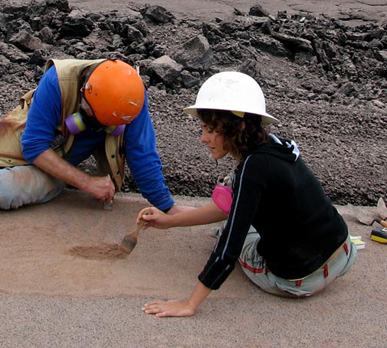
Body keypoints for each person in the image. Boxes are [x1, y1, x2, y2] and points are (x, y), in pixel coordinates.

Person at [138, 71, 356, 318]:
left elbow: (229, 246)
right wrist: (170, 221)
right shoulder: (275, 146)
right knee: (238, 213)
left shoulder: (252, 170)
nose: (203, 139)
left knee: (230, 229)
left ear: (238, 126)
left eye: (210, 130)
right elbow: (230, 208)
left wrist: (190, 303)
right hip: (343, 251)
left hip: (299, 279)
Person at [0, 58, 185, 213]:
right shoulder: (60, 79)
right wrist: (87, 183)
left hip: (61, 163)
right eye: (91, 117)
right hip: (29, 136)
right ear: (84, 94)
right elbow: (33, 146)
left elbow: (143, 157)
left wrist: (168, 208)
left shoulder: (130, 101)